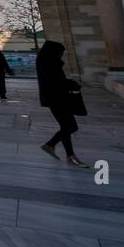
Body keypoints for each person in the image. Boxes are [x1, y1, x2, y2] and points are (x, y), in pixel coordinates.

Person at [37, 40, 88, 168]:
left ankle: (68, 155)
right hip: (57, 98)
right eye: (61, 52)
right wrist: (70, 83)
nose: (62, 55)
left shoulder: (46, 63)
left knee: (66, 126)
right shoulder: (50, 64)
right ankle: (50, 145)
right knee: (70, 126)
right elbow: (54, 82)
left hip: (55, 98)